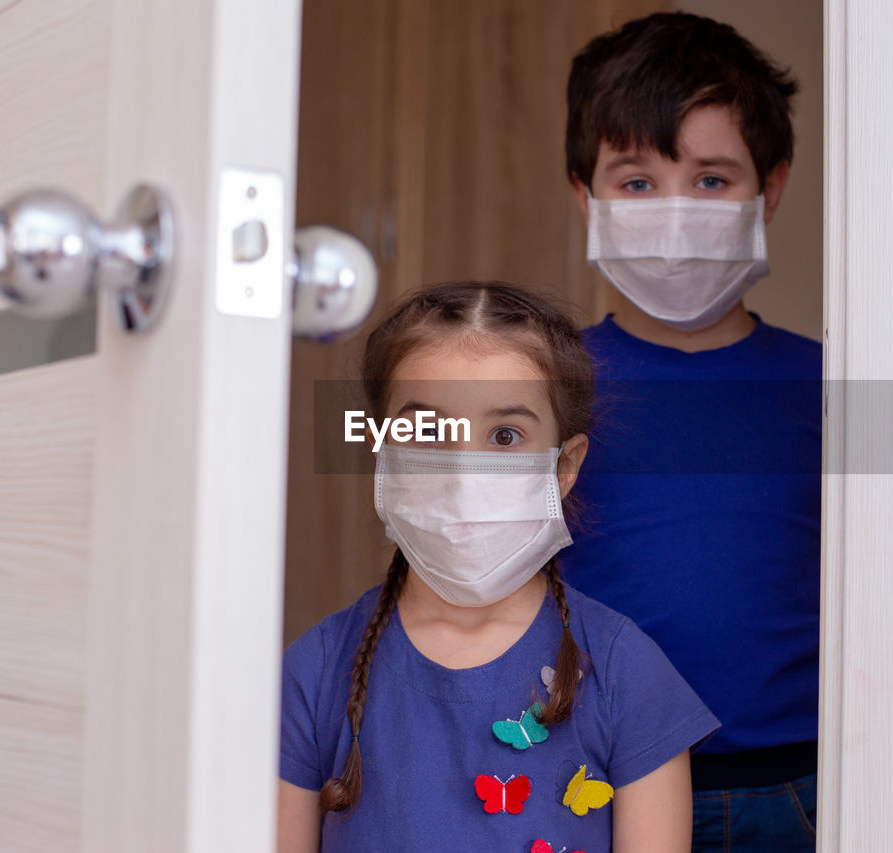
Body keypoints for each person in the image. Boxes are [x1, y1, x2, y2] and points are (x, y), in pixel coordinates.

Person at [277, 281, 719, 853]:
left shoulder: (626, 673)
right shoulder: (312, 673)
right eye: (429, 432)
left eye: (505, 436)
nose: (465, 471)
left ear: (565, 466)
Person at [560, 13, 822, 852]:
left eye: (712, 180)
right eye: (637, 182)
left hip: (801, 787)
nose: (675, 213)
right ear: (585, 196)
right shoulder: (541, 392)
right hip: (595, 782)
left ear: (770, 188)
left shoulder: (830, 388)